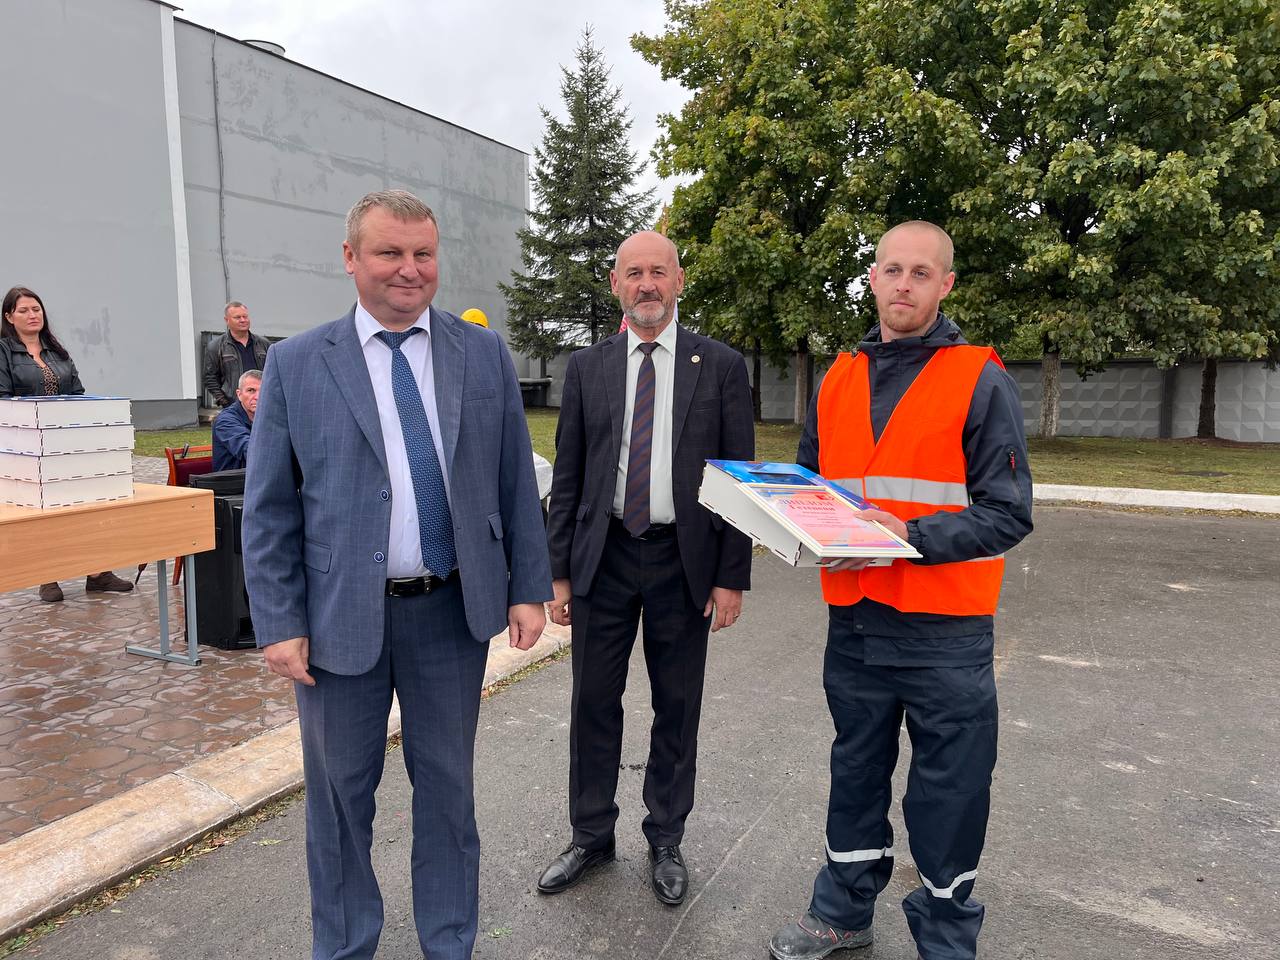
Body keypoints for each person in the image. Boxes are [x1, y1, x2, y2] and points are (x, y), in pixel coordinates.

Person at [242, 189, 551, 960]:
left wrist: (528, 585)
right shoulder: (296, 364)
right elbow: (269, 507)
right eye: (390, 252)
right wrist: (279, 621)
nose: (409, 269)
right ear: (351, 258)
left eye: (423, 254)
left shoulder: (481, 353)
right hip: (338, 620)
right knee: (340, 806)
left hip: (450, 614)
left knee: (448, 796)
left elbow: (515, 478)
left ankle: (449, 944)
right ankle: (347, 946)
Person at [767, 221, 1033, 960]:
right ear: (873, 278)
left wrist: (909, 535)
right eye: (892, 270)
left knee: (949, 791)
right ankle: (842, 911)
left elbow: (1008, 512)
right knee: (855, 770)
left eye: (921, 272)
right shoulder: (839, 377)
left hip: (946, 628)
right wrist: (782, 521)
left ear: (946, 284)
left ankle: (945, 936)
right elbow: (812, 489)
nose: (904, 285)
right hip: (855, 621)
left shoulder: (979, 377)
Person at [537, 231, 754, 906]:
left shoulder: (720, 366)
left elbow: (739, 480)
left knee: (676, 705)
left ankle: (666, 837)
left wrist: (731, 576)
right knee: (592, 702)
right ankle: (591, 836)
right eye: (634, 273)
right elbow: (568, 475)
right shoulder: (587, 367)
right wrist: (557, 572)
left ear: (679, 280)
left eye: (659, 271)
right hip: (601, 556)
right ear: (616, 284)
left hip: (682, 560)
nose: (647, 284)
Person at [0, 286, 135, 603]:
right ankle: (47, 575)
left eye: (36, 309)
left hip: (67, 441)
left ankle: (97, 572)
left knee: (84, 501)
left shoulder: (56, 351)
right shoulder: (4, 351)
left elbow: (77, 392)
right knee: (43, 509)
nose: (32, 315)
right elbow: (3, 398)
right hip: (27, 446)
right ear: (9, 317)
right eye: (24, 310)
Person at [202, 300, 269, 408]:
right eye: (237, 317)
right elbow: (210, 378)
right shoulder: (216, 346)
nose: (243, 320)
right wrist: (225, 402)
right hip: (234, 405)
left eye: (245, 316)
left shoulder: (264, 344)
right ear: (227, 320)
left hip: (262, 403)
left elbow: (273, 373)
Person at [210, 369, 260, 471]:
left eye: (263, 391)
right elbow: (250, 451)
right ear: (239, 394)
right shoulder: (225, 421)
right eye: (251, 390)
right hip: (233, 479)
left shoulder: (271, 417)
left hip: (258, 476)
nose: (258, 397)